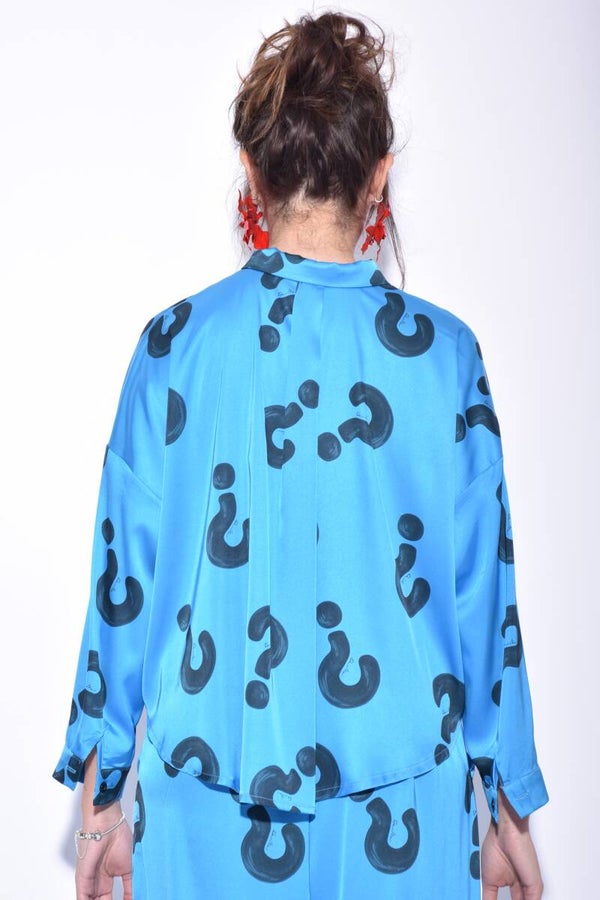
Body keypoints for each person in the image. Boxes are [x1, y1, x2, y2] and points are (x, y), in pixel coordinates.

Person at [53, 11, 548, 900]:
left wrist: (100, 809)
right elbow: (487, 602)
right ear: (380, 175)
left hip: (208, 807)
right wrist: (508, 813)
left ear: (252, 171)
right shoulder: (446, 358)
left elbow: (120, 590)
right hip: (407, 810)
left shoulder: (175, 346)